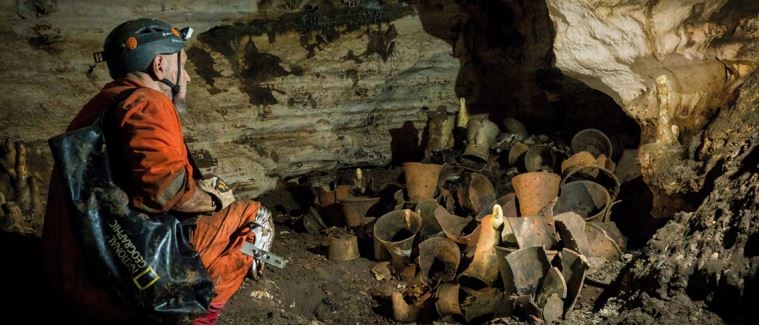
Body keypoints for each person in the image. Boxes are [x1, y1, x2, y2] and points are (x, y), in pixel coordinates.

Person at [42, 18, 275, 324]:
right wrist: (214, 200)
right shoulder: (148, 102)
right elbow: (163, 190)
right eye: (184, 64)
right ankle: (192, 315)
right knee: (253, 217)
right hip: (119, 286)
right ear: (161, 66)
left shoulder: (103, 103)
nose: (188, 77)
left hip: (76, 274)